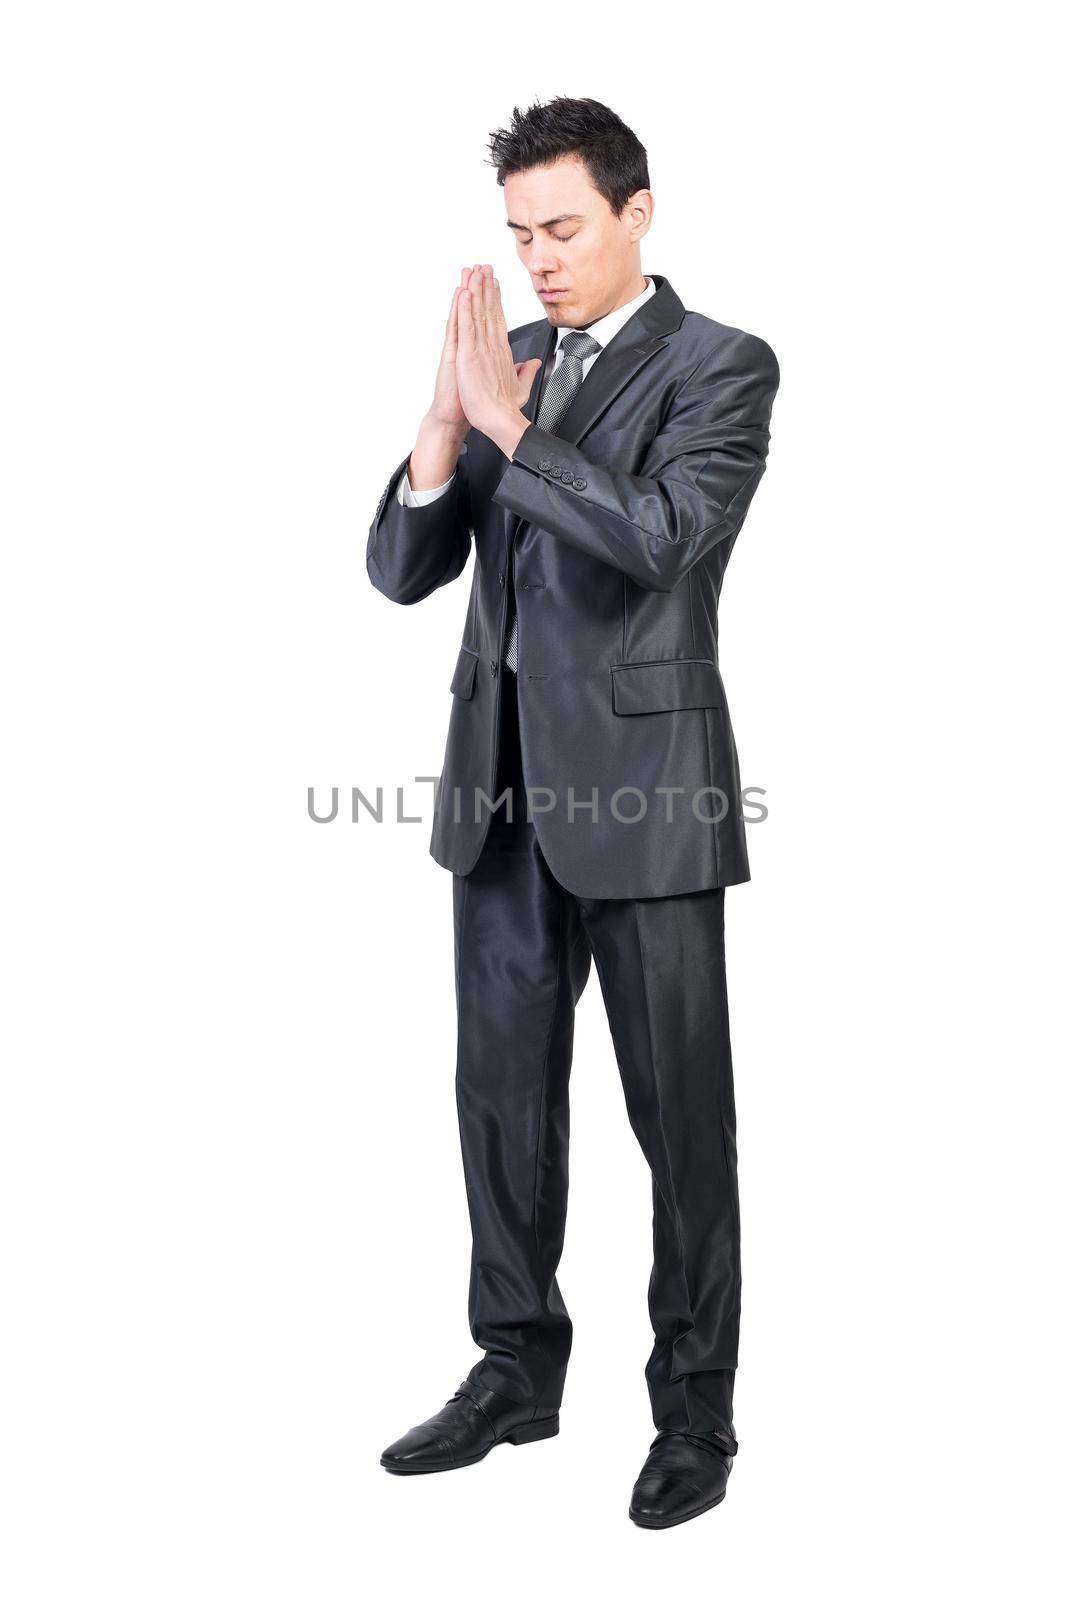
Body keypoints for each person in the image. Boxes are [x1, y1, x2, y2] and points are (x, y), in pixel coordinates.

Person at [366, 96, 779, 1529]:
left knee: (683, 1123)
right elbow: (403, 572)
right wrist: (438, 434)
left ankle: (696, 1415)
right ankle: (516, 1367)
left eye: (564, 227)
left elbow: (662, 540)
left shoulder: (722, 367)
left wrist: (507, 427)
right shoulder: (507, 363)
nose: (538, 259)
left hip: (649, 801)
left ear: (637, 211)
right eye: (518, 233)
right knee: (501, 1105)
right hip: (501, 801)